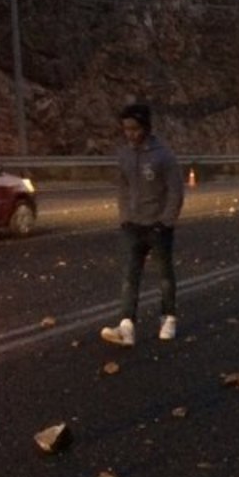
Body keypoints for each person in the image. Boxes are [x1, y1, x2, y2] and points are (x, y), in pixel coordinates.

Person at [100, 102, 184, 347]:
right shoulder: (124, 155)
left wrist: (166, 221)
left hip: (158, 226)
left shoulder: (163, 155)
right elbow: (123, 187)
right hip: (133, 226)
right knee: (129, 276)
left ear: (146, 127)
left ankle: (168, 318)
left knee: (164, 275)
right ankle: (126, 326)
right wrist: (124, 217)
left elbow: (175, 191)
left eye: (135, 128)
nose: (131, 134)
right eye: (126, 129)